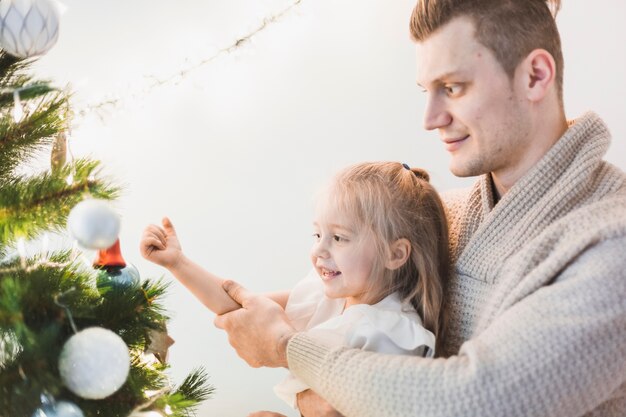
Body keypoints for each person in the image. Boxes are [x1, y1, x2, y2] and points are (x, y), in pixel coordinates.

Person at [212, 0, 626, 416]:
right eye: (425, 91)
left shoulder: (610, 247)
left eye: (453, 88)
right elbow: (344, 302)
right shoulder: (447, 213)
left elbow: (474, 402)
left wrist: (287, 348)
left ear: (535, 76)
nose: (430, 118)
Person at [140, 162, 451, 415]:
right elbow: (241, 307)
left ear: (394, 254)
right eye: (317, 235)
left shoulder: (391, 333)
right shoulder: (326, 296)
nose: (319, 251)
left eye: (339, 238)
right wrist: (177, 263)